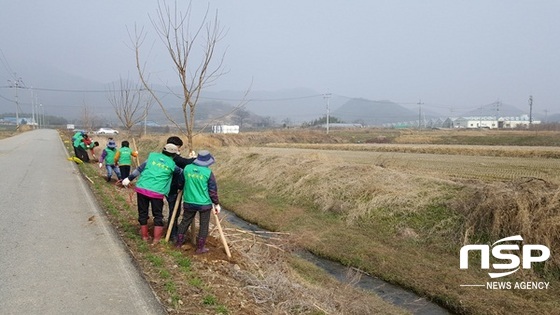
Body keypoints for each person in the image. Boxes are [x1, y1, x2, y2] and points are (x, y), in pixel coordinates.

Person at [122, 143, 184, 244]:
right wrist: (181, 186)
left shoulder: (152, 157)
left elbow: (140, 169)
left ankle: (144, 237)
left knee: (143, 213)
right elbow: (182, 173)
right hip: (157, 192)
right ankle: (156, 240)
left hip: (142, 188)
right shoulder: (173, 165)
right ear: (174, 155)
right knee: (158, 215)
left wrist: (129, 178)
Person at [175, 150, 221, 254]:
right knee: (204, 225)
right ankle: (200, 248)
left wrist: (180, 188)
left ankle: (178, 243)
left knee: (185, 222)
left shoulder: (187, 168)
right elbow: (212, 191)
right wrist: (216, 204)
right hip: (204, 204)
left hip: (188, 201)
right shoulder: (208, 173)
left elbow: (180, 183)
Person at [165, 136, 196, 241]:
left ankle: (174, 230)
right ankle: (172, 234)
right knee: (174, 211)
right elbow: (184, 162)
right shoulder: (173, 157)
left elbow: (183, 162)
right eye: (179, 147)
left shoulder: (168, 155)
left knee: (175, 211)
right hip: (173, 188)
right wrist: (194, 159)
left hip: (173, 187)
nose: (179, 149)